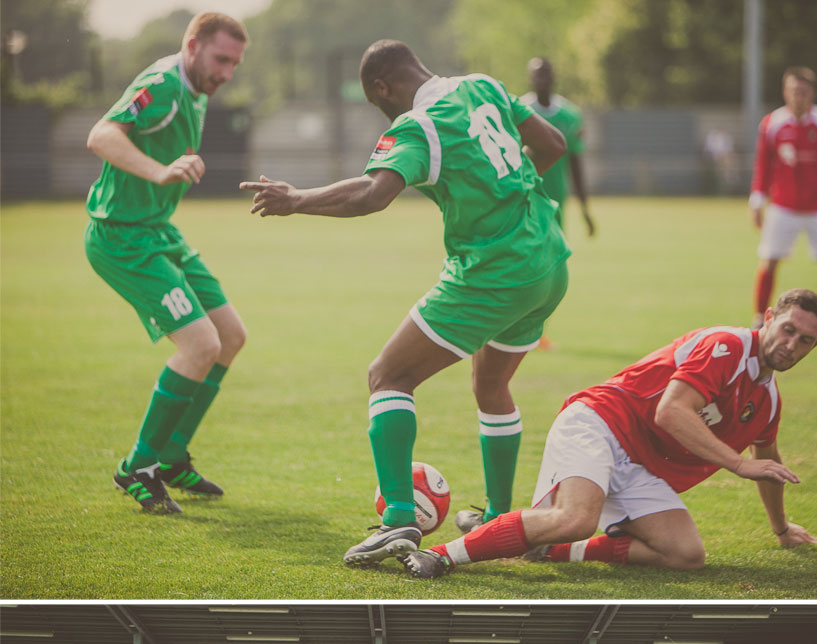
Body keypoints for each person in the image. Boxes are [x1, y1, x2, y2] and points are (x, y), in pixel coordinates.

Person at [240, 38, 570, 562]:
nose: (384, 112)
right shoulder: (481, 85)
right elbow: (552, 145)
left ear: (382, 87)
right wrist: (502, 183)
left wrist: (296, 199)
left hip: (495, 268)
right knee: (492, 384)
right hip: (549, 259)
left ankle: (396, 519)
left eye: (379, 104)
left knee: (387, 375)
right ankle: (500, 519)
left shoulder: (419, 124)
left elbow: (374, 193)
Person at [403, 289, 817, 579]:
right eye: (788, 330)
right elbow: (671, 412)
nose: (792, 344)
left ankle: (546, 547)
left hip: (638, 465)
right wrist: (737, 463)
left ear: (816, 346)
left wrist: (781, 529)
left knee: (686, 555)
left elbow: (767, 464)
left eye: (806, 340)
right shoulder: (727, 346)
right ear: (769, 318)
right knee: (576, 519)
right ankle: (439, 555)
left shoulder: (769, 401)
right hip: (600, 423)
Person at [85, 12, 249, 513]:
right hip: (122, 237)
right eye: (221, 59)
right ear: (193, 46)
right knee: (200, 343)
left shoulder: (196, 89)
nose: (227, 72)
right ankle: (137, 466)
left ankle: (173, 456)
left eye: (235, 64)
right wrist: (160, 171)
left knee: (230, 336)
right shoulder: (162, 83)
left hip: (160, 232)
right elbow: (101, 134)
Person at [748, 66, 817, 342]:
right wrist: (757, 199)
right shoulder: (772, 123)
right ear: (786, 92)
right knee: (769, 260)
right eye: (794, 90)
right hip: (783, 206)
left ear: (812, 93)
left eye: (804, 91)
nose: (799, 95)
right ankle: (760, 319)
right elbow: (763, 164)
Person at [521, 58, 594, 238]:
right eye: (537, 75)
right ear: (530, 78)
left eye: (545, 74)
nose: (541, 80)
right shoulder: (520, 111)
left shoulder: (570, 115)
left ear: (554, 77)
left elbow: (575, 163)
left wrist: (584, 208)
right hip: (525, 197)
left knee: (555, 252)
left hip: (556, 197)